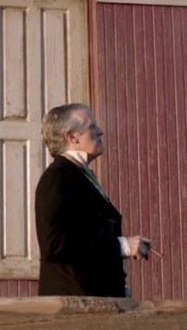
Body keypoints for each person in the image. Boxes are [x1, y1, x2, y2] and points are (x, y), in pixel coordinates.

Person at [34, 103, 152, 298]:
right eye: (92, 127)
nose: (100, 132)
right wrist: (121, 246)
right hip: (74, 304)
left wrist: (118, 288)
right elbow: (53, 244)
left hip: (95, 300)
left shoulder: (78, 175)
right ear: (72, 137)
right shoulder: (57, 177)